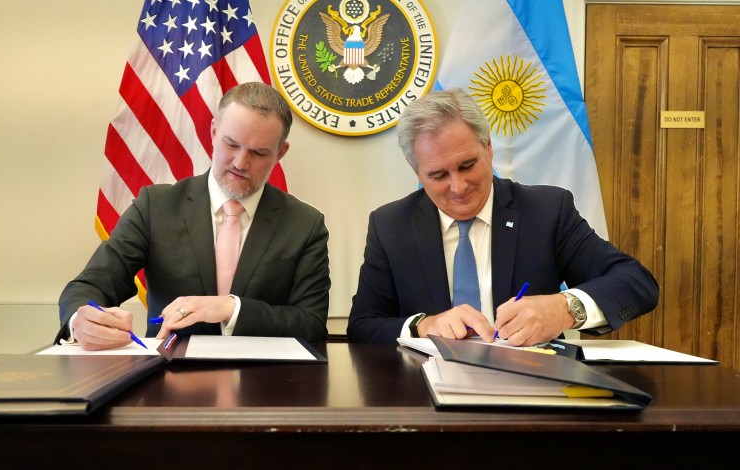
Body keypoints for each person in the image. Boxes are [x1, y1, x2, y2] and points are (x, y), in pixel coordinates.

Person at [347, 88, 659, 345]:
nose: (458, 187)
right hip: (424, 389)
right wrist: (424, 325)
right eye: (438, 175)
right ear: (416, 169)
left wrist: (565, 308)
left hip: (532, 384)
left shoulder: (547, 211)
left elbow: (636, 283)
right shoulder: (391, 226)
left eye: (467, 165)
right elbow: (362, 326)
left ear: (489, 148)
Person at [55, 82, 331, 350]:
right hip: (169, 373)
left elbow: (312, 324)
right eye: (231, 144)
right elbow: (91, 284)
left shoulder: (305, 225)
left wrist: (232, 308)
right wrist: (80, 320)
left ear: (280, 153)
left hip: (266, 376)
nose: (240, 163)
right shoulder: (155, 207)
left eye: (258, 153)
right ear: (213, 132)